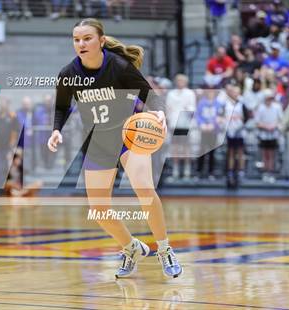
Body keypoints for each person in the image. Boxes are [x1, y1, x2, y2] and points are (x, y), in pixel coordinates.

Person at [47, 18, 182, 279]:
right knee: (98, 209)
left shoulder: (118, 66)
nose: (81, 44)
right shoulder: (68, 74)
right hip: (97, 143)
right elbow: (62, 106)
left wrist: (160, 113)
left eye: (87, 38)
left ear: (101, 41)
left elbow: (151, 96)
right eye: (76, 39)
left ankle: (165, 249)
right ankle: (131, 247)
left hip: (128, 138)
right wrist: (55, 130)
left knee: (144, 189)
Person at [165, 74, 196, 180]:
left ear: (186, 82)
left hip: (185, 124)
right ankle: (176, 170)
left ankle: (187, 171)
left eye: (182, 80)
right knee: (175, 147)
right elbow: (168, 109)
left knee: (186, 147)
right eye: (178, 80)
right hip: (174, 124)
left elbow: (193, 108)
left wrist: (188, 108)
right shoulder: (171, 94)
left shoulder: (190, 93)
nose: (180, 82)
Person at [255, 89, 283, 183]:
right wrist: (266, 126)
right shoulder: (260, 108)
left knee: (271, 155)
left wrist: (274, 126)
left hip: (273, 135)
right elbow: (257, 122)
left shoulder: (277, 107)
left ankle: (270, 173)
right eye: (268, 98)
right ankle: (265, 173)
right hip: (263, 135)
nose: (269, 100)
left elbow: (280, 120)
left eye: (271, 98)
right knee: (264, 154)